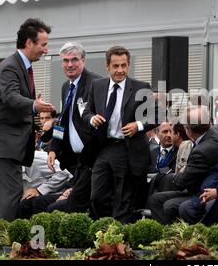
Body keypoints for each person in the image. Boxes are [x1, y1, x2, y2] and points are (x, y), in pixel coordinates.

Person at [0, 18, 55, 221]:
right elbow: (11, 97)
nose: (46, 50)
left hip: (2, 144)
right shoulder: (10, 66)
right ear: (29, 43)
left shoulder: (22, 66)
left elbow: (22, 104)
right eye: (43, 45)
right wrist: (35, 106)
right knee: (10, 194)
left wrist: (35, 122)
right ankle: (4, 245)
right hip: (2, 144)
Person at [82, 45, 156, 223]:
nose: (120, 70)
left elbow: (155, 115)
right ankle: (107, 229)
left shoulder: (141, 87)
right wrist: (92, 119)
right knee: (96, 196)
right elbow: (86, 112)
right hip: (104, 148)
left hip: (128, 148)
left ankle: (118, 239)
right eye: (116, 66)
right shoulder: (97, 86)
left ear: (128, 65)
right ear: (107, 66)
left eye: (124, 65)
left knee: (123, 201)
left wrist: (137, 125)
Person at [47, 41, 101, 174]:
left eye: (74, 60)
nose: (69, 65)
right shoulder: (66, 87)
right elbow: (62, 121)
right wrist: (54, 148)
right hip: (72, 159)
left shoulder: (96, 83)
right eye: (65, 60)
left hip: (92, 158)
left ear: (83, 60)